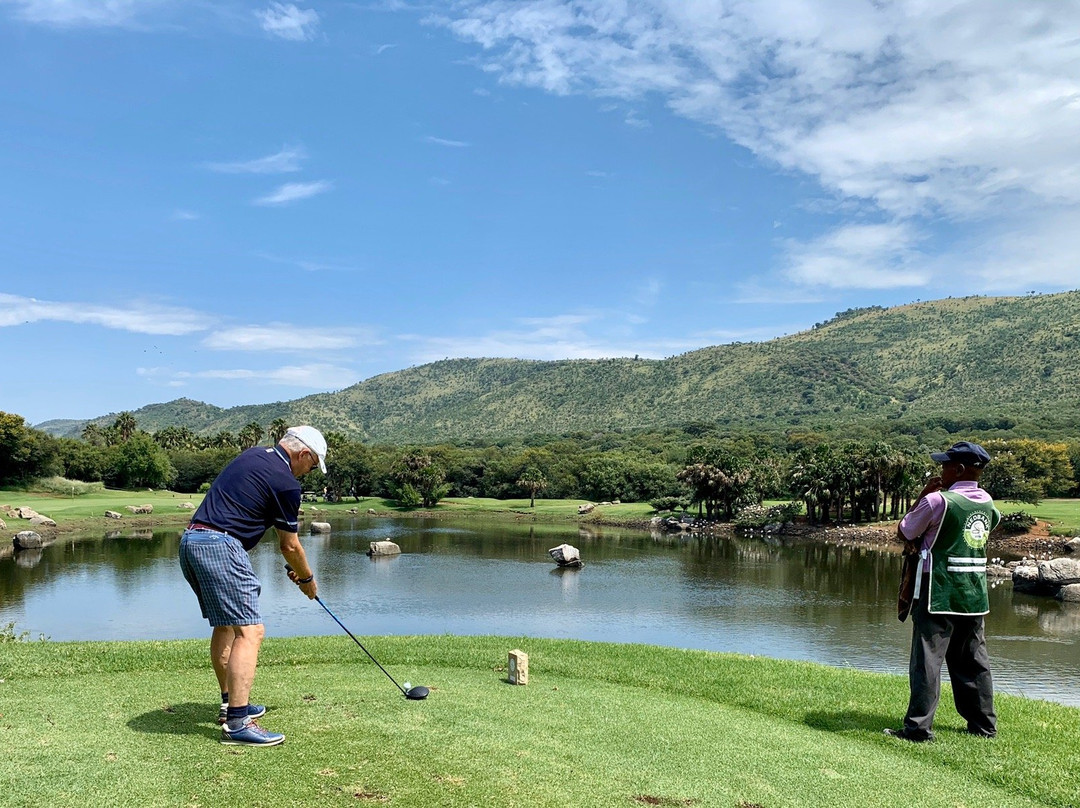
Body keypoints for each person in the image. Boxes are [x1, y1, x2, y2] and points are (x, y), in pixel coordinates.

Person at [179, 425, 327, 747]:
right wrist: (307, 580)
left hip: (192, 541)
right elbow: (289, 546)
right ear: (303, 454)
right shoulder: (287, 483)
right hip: (220, 545)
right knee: (251, 631)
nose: (308, 473)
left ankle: (230, 704)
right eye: (312, 465)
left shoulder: (253, 455)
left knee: (227, 627)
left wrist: (298, 572)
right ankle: (238, 723)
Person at [885, 441, 1001, 742]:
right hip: (973, 595)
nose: (941, 470)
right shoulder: (987, 503)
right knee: (974, 662)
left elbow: (906, 531)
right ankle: (984, 726)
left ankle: (918, 729)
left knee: (927, 661)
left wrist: (923, 494)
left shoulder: (938, 501)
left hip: (937, 592)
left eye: (946, 465)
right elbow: (990, 526)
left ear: (959, 469)